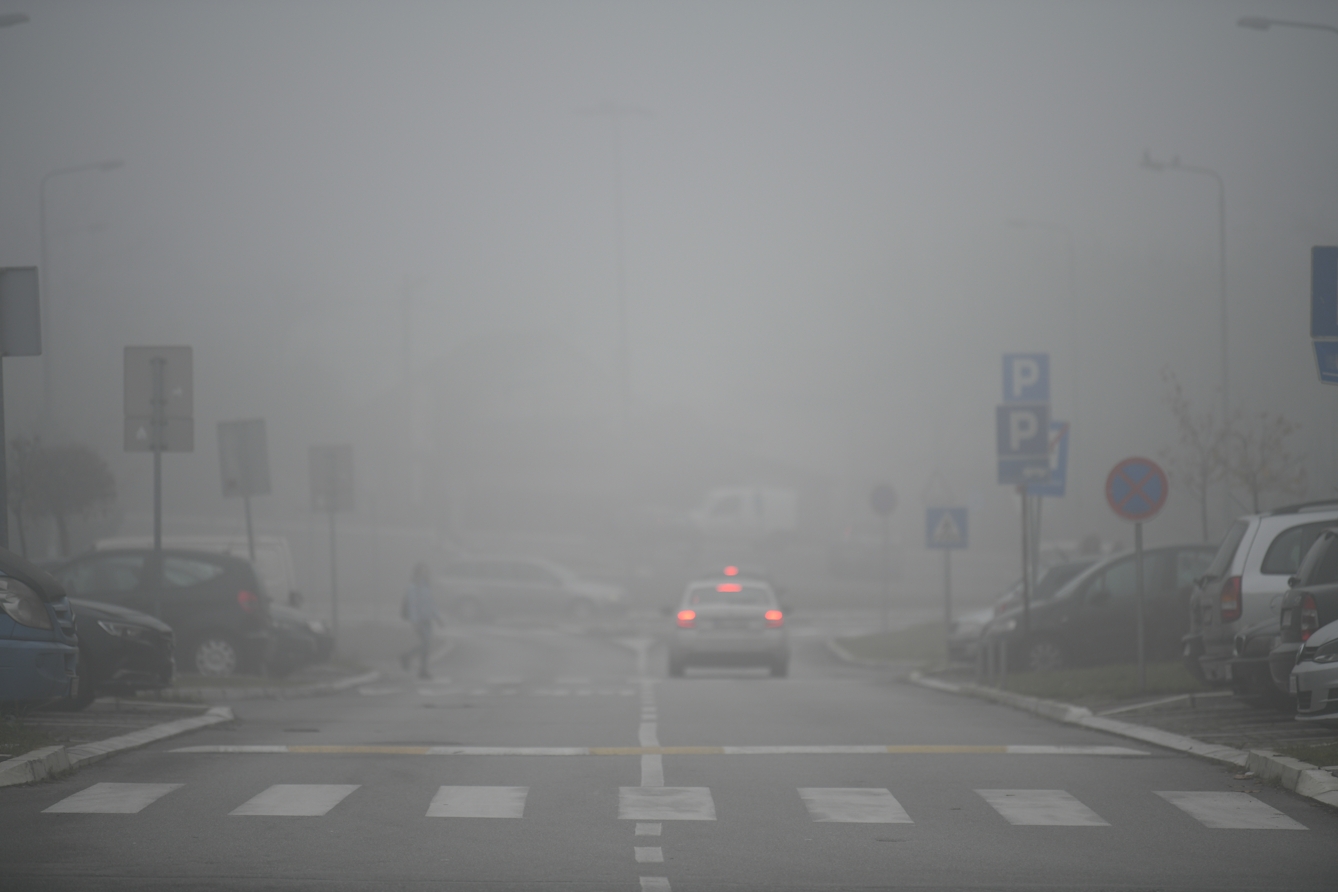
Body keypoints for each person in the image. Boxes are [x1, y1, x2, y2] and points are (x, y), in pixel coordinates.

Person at [399, 562, 440, 679]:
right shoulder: (413, 587)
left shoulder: (427, 586)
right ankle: (411, 660)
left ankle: (420, 667)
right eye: (422, 571)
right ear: (417, 572)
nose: (424, 573)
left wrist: (437, 617)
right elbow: (412, 606)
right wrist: (414, 621)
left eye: (426, 571)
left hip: (428, 620)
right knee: (426, 644)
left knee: (426, 645)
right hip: (420, 621)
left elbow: (431, 604)